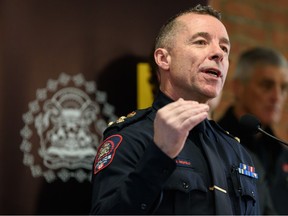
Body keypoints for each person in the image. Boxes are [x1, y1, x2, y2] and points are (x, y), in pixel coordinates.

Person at [90, 4, 260, 214]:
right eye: (201, 42)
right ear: (163, 59)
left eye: (224, 48)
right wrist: (159, 155)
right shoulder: (132, 138)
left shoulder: (236, 151)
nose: (219, 54)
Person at [217, 47, 288, 214]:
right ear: (238, 87)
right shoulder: (215, 142)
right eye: (266, 85)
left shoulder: (282, 152)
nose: (277, 97)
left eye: (283, 88)